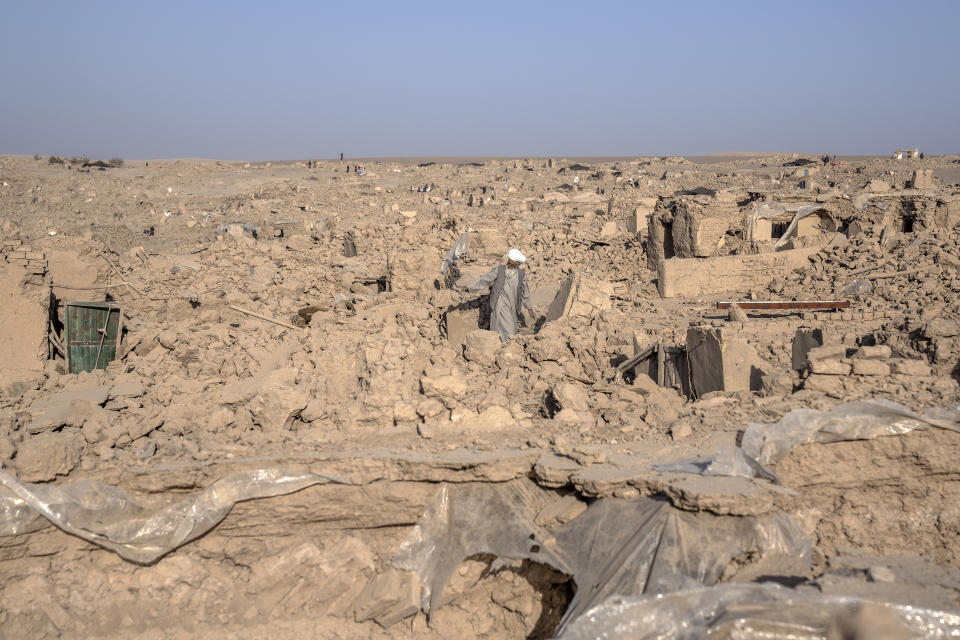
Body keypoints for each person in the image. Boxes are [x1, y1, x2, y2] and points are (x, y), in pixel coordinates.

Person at [461, 249, 535, 342]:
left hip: (512, 304)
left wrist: (529, 307)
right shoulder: (499, 270)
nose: (509, 261)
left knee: (510, 324)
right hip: (499, 301)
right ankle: (503, 343)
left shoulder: (521, 274)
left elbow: (525, 291)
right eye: (509, 259)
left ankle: (505, 345)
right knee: (505, 327)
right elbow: (484, 279)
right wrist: (468, 287)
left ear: (517, 263)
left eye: (511, 260)